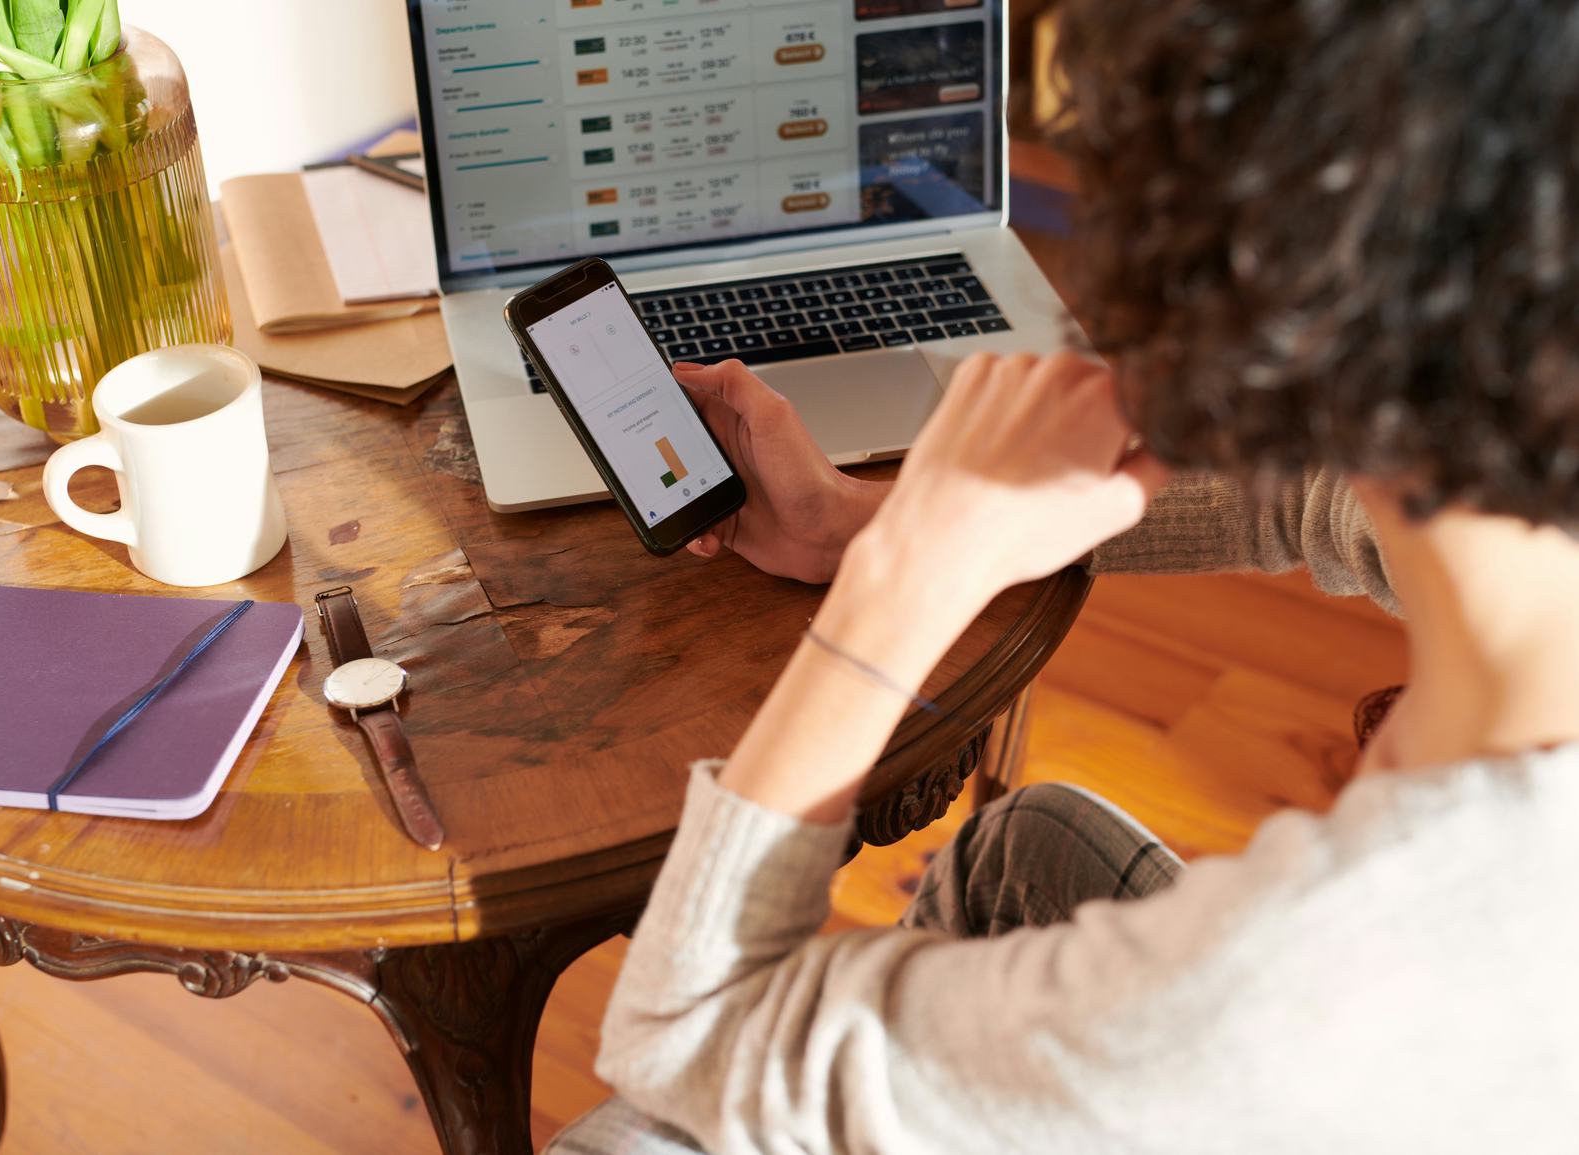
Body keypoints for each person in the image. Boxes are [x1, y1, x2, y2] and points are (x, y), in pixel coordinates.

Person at [547, 1, 1579, 1150]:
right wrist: (850, 523)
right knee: (1017, 848)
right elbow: (1328, 498)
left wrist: (904, 575)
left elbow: (682, 1035)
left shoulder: (1301, 988)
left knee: (626, 1138)